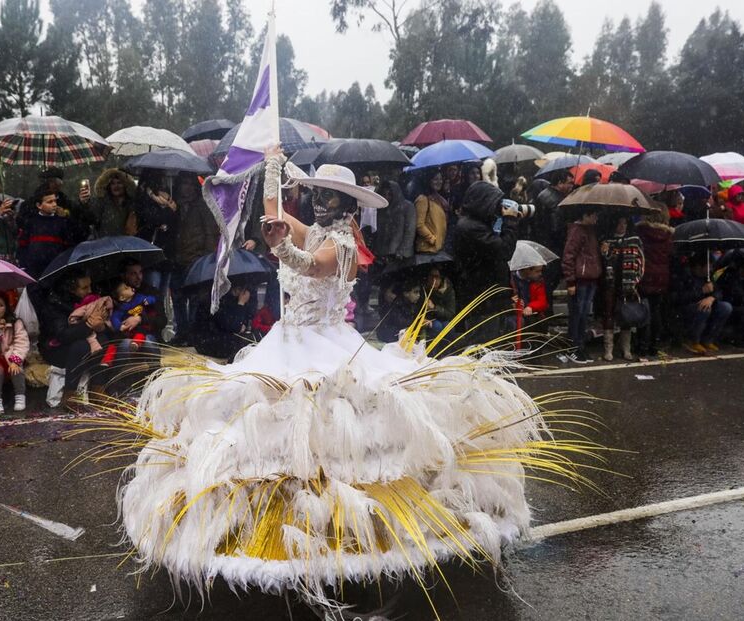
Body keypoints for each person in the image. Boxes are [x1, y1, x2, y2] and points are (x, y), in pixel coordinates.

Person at [114, 152, 582, 612]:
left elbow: (310, 265)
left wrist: (280, 247)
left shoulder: (341, 246)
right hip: (286, 340)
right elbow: (275, 215)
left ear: (348, 206)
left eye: (330, 198)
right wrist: (273, 169)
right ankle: (267, 530)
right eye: (317, 194)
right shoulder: (316, 228)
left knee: (327, 430)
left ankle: (338, 533)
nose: (319, 203)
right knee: (258, 425)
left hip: (325, 346)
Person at [450, 180, 520, 343]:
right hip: (482, 299)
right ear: (483, 202)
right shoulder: (470, 227)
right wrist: (510, 222)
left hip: (487, 298)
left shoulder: (476, 224)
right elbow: (504, 250)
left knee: (490, 346)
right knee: (483, 348)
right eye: (494, 203)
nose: (497, 208)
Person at [167, 174, 219, 345]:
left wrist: (207, 258)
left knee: (195, 299)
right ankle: (182, 332)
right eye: (184, 183)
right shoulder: (175, 206)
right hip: (177, 259)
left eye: (190, 184)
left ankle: (193, 333)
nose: (187, 187)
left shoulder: (203, 205)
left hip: (196, 260)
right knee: (178, 298)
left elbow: (210, 233)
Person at [36, 272, 101, 405]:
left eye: (90, 286)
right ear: (71, 289)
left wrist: (100, 324)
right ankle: (70, 393)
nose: (90, 291)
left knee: (104, 341)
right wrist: (88, 325)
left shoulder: (89, 301)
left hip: (84, 339)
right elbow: (63, 335)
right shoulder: (55, 304)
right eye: (84, 288)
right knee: (81, 346)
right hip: (55, 347)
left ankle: (98, 388)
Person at [598, 216, 645, 361]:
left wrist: (637, 279)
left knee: (627, 314)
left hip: (629, 282)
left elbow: (641, 261)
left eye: (624, 223)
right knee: (609, 314)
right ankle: (609, 349)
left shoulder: (635, 240)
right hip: (611, 282)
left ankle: (626, 349)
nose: (622, 226)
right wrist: (604, 252)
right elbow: (604, 262)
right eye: (619, 223)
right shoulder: (607, 240)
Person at [562, 207, 602, 363]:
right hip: (580, 280)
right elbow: (568, 256)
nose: (596, 218)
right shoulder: (577, 231)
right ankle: (573, 348)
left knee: (583, 315)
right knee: (577, 315)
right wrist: (571, 280)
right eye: (594, 215)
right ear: (586, 215)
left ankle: (580, 346)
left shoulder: (590, 230)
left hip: (590, 278)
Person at [670, 254, 732, 355]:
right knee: (704, 308)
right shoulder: (683, 275)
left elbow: (719, 291)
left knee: (725, 307)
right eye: (709, 266)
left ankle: (708, 339)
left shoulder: (708, 276)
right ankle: (693, 340)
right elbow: (677, 297)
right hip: (686, 308)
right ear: (699, 266)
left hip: (706, 304)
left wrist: (712, 297)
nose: (711, 269)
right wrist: (701, 291)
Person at [635, 204, 675, 356]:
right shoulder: (667, 236)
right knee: (656, 310)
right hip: (662, 276)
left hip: (645, 274)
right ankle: (653, 344)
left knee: (643, 310)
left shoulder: (641, 232)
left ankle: (641, 344)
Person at [17, 190, 78, 278]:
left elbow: (68, 245)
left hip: (55, 269)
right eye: (49, 202)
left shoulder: (61, 222)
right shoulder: (31, 222)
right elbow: (22, 245)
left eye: (55, 201)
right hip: (34, 271)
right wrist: (25, 264)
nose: (54, 204)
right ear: (39, 205)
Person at [532, 170, 574, 298]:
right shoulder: (557, 201)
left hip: (542, 245)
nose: (571, 186)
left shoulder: (543, 195)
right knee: (550, 281)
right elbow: (556, 228)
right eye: (569, 183)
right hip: (553, 248)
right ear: (560, 183)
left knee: (545, 283)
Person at [78, 168, 137, 238]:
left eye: (119, 183)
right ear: (109, 186)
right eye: (113, 183)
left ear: (125, 185)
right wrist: (84, 204)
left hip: (128, 244)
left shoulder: (132, 204)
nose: (116, 186)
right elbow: (91, 218)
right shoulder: (102, 202)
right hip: (106, 244)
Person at [413, 170, 448, 254]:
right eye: (435, 179)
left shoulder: (439, 199)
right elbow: (419, 225)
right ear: (429, 181)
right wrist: (432, 239)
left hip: (437, 248)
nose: (439, 182)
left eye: (440, 179)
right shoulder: (423, 199)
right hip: (427, 249)